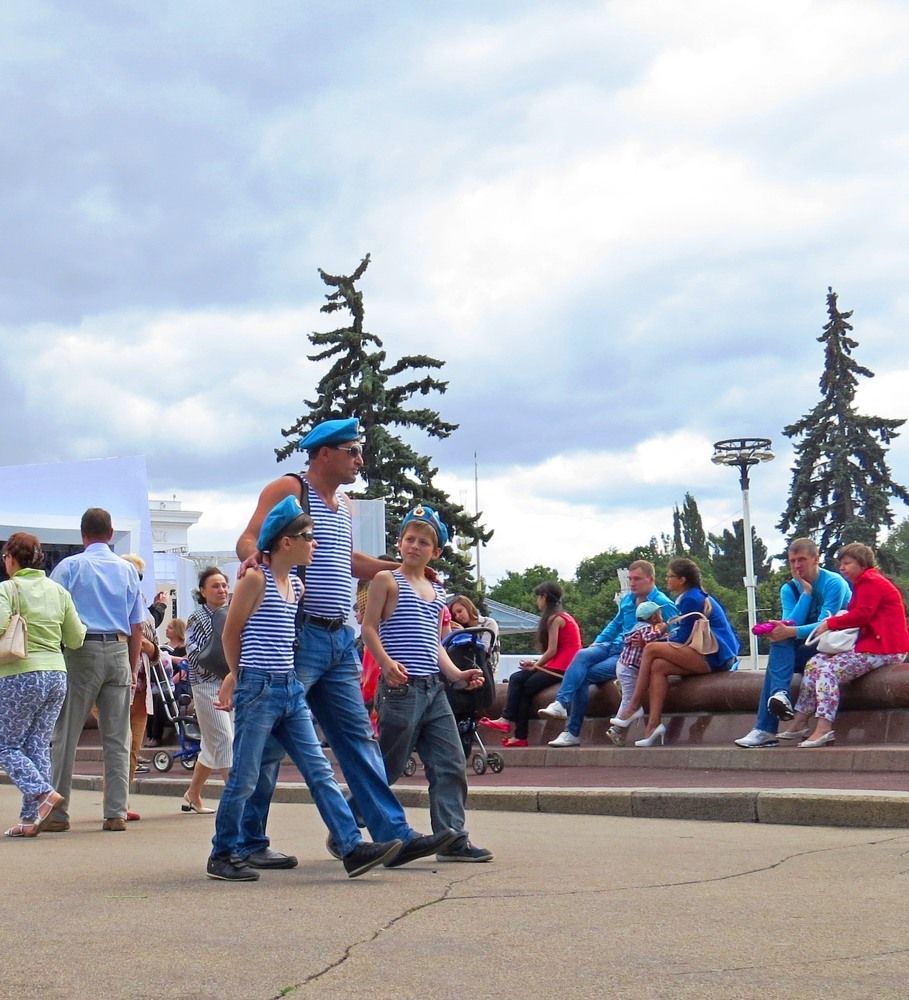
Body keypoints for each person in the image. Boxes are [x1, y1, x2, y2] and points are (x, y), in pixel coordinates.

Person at [235, 416, 459, 869]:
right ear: (323, 454)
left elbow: (348, 560)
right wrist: (256, 559)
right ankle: (248, 840)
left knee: (358, 739)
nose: (360, 459)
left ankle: (393, 835)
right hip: (300, 636)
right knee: (270, 742)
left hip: (339, 639)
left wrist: (399, 568)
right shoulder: (290, 489)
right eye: (352, 451)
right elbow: (249, 538)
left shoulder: (344, 506)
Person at [207, 496, 404, 881]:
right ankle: (223, 852)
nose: (315, 545)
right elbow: (231, 633)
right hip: (259, 687)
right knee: (245, 776)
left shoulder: (295, 585)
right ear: (286, 542)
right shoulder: (255, 580)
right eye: (309, 538)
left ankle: (351, 846)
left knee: (319, 770)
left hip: (290, 689)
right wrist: (239, 676)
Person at [363, 504, 493, 862]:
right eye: (409, 539)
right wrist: (386, 663)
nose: (414, 546)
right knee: (389, 765)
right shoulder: (386, 580)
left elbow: (435, 644)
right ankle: (350, 819)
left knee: (450, 761)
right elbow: (369, 628)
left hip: (434, 690)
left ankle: (452, 839)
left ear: (436, 552)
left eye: (423, 542)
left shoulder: (436, 592)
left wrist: (457, 675)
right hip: (401, 690)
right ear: (399, 542)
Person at [42, 508, 146, 832]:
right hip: (118, 649)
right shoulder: (128, 570)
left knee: (66, 734)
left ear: (83, 535)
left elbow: (52, 612)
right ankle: (115, 812)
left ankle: (58, 813)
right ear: (111, 534)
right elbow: (137, 625)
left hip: (80, 650)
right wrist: (132, 668)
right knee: (118, 738)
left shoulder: (69, 567)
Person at [778, 542, 909, 748]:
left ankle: (824, 727)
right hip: (869, 645)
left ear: (862, 564)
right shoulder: (863, 583)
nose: (842, 568)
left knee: (828, 670)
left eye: (847, 563)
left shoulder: (871, 582)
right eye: (841, 564)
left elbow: (862, 615)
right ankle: (800, 720)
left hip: (885, 648)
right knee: (814, 663)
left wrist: (830, 623)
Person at [0, 533, 86, 837]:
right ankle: (29, 819)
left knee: (5, 745)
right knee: (36, 745)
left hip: (20, 673)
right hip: (56, 674)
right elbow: (75, 638)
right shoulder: (58, 591)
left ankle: (41, 792)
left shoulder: (7, 589)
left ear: (11, 558)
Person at [539, 561, 677, 748]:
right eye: (630, 579)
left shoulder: (663, 603)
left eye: (637, 579)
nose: (632, 583)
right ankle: (560, 704)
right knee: (582, 655)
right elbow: (615, 624)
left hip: (628, 655)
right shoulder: (628, 600)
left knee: (582, 676)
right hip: (611, 645)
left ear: (651, 579)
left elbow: (675, 633)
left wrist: (650, 642)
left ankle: (571, 732)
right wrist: (597, 642)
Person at [735, 538, 852, 748]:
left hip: (833, 646)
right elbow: (791, 623)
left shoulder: (834, 583)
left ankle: (765, 728)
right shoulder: (788, 589)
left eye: (802, 560)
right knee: (780, 643)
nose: (797, 566)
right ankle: (780, 696)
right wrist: (806, 594)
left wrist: (789, 631)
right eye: (792, 561)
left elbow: (825, 625)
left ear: (816, 559)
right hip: (807, 649)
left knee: (777, 658)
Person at [611, 558, 740, 746]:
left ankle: (634, 705)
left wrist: (657, 641)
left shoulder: (691, 598)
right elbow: (682, 636)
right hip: (708, 654)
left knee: (651, 649)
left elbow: (682, 639)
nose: (667, 579)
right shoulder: (691, 596)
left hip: (715, 657)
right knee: (658, 666)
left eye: (670, 576)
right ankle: (653, 727)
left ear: (682, 580)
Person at [480, 581, 581, 747]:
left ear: (544, 597)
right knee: (518, 678)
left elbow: (552, 650)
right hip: (561, 665)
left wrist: (535, 665)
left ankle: (514, 728)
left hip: (561, 668)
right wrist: (536, 664)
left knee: (523, 685)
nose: (537, 601)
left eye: (538, 597)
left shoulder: (555, 619)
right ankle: (510, 725)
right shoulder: (562, 616)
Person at [182, 567, 232, 815]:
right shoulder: (197, 617)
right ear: (202, 591)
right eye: (215, 585)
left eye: (224, 585)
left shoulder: (233, 611)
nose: (221, 590)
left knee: (212, 744)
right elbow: (192, 652)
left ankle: (193, 794)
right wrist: (223, 666)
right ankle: (237, 801)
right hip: (206, 684)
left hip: (230, 683)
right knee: (225, 740)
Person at [606, 601, 669, 746]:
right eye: (659, 613)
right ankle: (617, 729)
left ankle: (620, 723)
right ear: (654, 617)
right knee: (629, 699)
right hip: (629, 669)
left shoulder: (639, 627)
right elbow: (650, 640)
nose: (662, 616)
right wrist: (663, 628)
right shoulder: (645, 628)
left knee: (630, 696)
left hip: (628, 668)